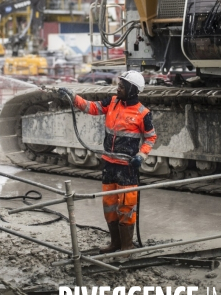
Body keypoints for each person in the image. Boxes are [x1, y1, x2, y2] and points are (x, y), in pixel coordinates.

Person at [58, 70, 156, 256]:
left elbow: (151, 137)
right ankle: (115, 243)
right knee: (110, 205)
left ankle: (126, 247)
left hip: (127, 168)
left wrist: (141, 156)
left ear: (132, 90)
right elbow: (91, 107)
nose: (117, 88)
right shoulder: (111, 102)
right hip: (109, 164)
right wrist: (73, 97)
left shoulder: (143, 113)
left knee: (126, 206)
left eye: (121, 86)